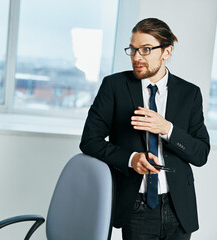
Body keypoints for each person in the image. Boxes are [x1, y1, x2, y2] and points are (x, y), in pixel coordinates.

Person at [80, 18, 210, 240]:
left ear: (166, 51)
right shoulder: (114, 87)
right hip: (136, 205)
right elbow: (89, 141)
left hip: (178, 207)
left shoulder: (190, 93)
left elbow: (200, 154)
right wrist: (131, 159)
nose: (136, 57)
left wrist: (167, 128)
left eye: (146, 50)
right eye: (133, 49)